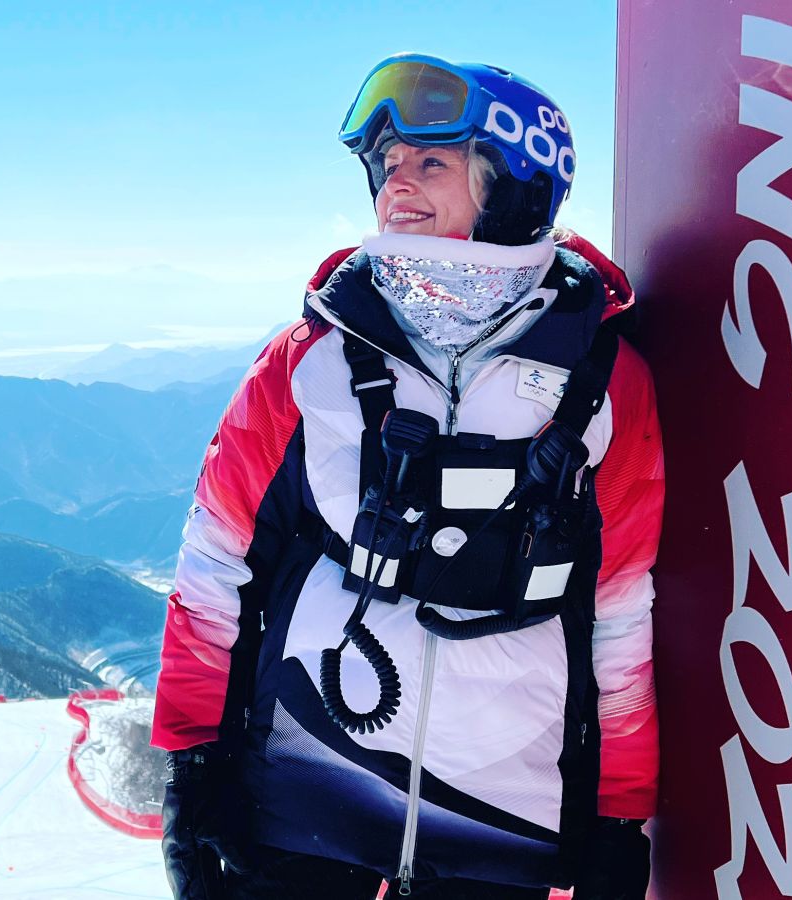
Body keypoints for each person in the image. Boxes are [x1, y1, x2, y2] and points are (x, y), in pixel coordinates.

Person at [153, 53, 661, 900]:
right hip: (304, 801)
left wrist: (618, 818)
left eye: (431, 162)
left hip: (498, 822)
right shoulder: (309, 362)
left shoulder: (605, 383)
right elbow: (213, 568)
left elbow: (621, 612)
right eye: (388, 163)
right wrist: (192, 765)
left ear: (516, 184)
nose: (397, 181)